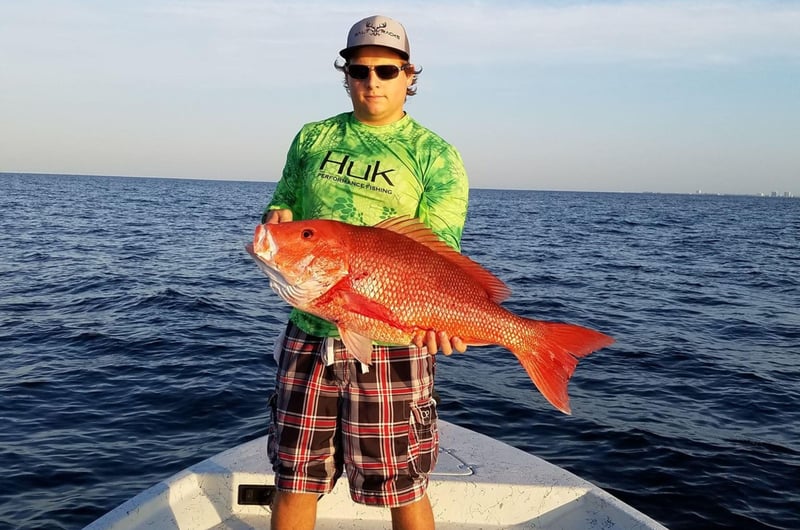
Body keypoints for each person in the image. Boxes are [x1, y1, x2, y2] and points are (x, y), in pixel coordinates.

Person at [261, 15, 469, 530]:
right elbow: (284, 202)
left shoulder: (435, 156)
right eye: (359, 70)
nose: (372, 80)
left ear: (409, 75)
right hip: (311, 333)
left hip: (395, 341)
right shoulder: (313, 138)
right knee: (294, 476)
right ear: (346, 74)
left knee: (403, 481)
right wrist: (280, 220)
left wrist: (448, 318)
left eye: (386, 70)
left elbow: (438, 255)